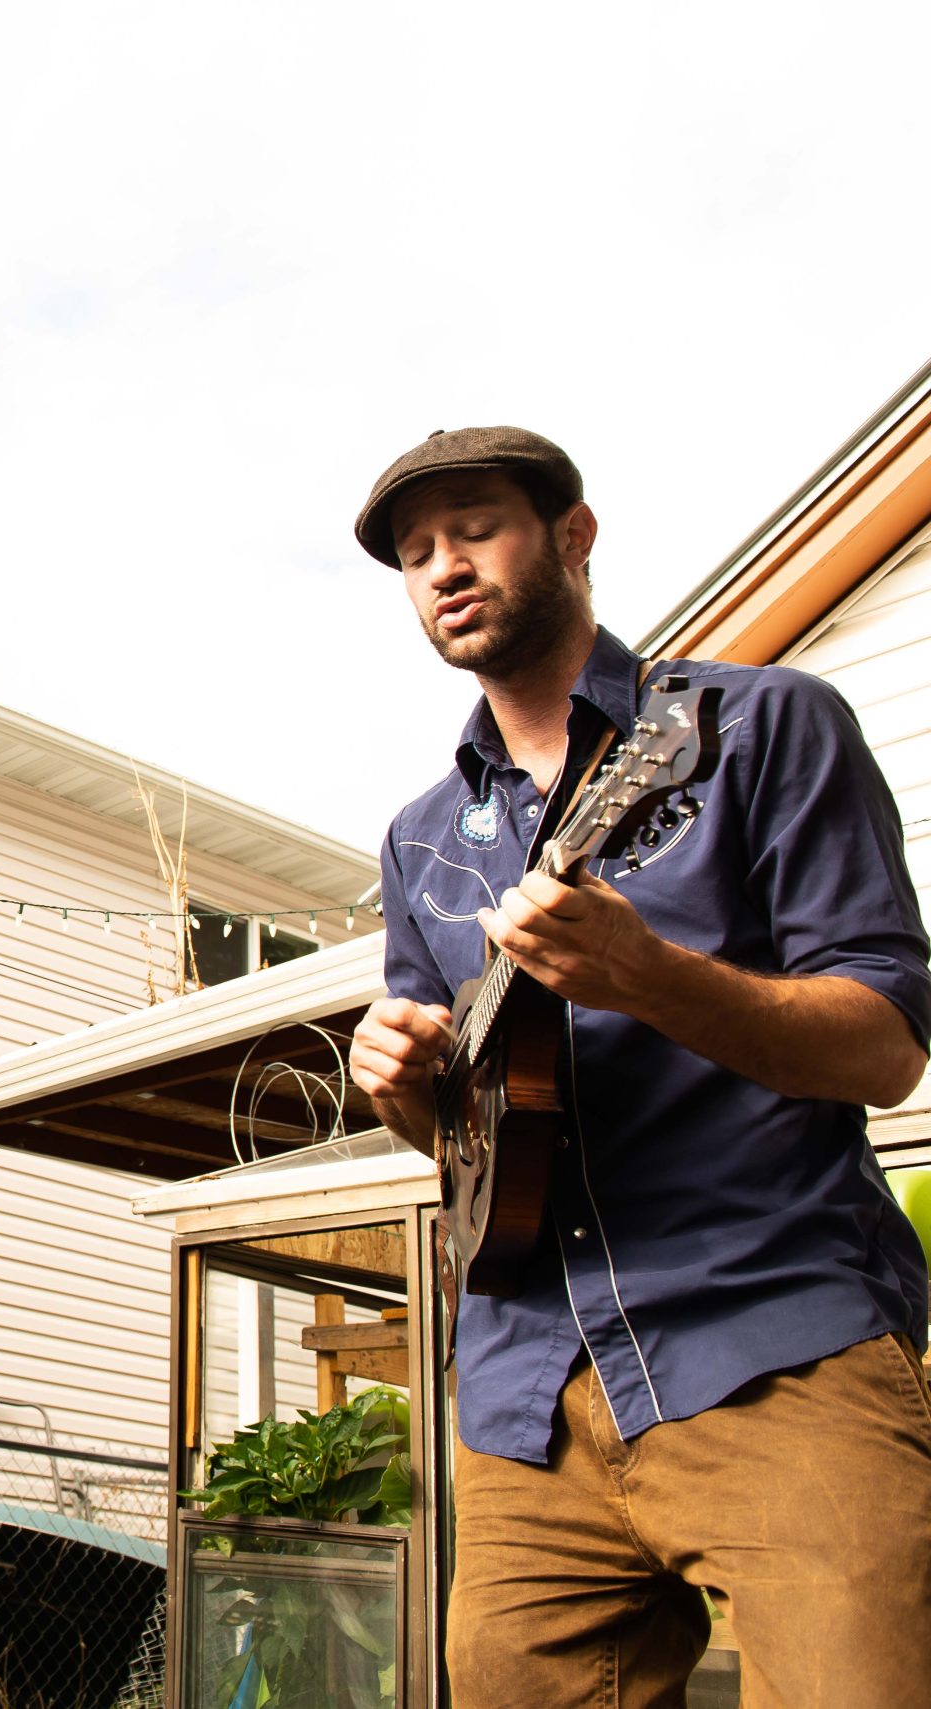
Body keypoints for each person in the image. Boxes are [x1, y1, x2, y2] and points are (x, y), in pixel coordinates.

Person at [345, 426, 931, 1704]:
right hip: (522, 1397)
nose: (443, 565)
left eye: (475, 527)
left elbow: (884, 1045)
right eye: (414, 551)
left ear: (572, 535)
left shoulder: (755, 727)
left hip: (773, 1331)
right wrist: (403, 1089)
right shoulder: (421, 839)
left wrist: (647, 973)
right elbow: (479, 1133)